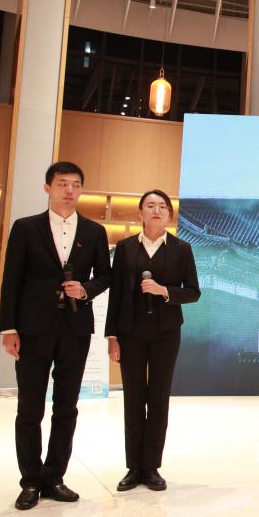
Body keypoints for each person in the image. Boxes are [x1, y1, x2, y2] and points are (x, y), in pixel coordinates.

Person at [0, 161, 111, 510]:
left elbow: (106, 276)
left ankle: (55, 477)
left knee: (66, 407)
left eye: (75, 184)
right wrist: (8, 328)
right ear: (48, 188)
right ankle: (30, 480)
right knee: (29, 408)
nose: (69, 190)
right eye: (62, 183)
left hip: (75, 328)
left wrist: (86, 289)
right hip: (32, 329)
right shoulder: (25, 228)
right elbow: (12, 279)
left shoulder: (94, 231)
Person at [106, 190, 200, 492]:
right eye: (150, 206)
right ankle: (133, 467)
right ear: (140, 213)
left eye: (162, 206)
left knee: (158, 398)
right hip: (130, 332)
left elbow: (193, 292)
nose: (156, 210)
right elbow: (116, 294)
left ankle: (152, 467)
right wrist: (112, 336)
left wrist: (164, 291)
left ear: (169, 215)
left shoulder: (182, 249)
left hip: (166, 333)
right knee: (133, 398)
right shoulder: (124, 248)